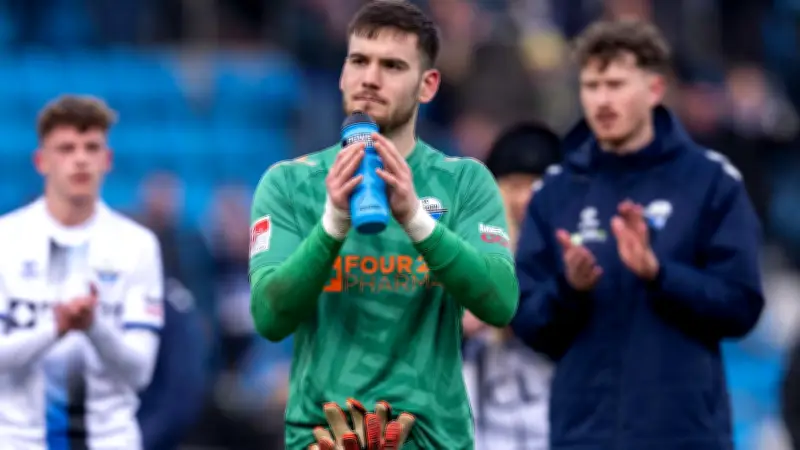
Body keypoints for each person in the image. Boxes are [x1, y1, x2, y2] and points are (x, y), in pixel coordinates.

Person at [248, 1, 518, 449]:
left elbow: (501, 304)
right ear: (342, 75)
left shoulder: (464, 182)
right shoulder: (290, 184)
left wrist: (416, 219)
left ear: (428, 85)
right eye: (359, 61)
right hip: (325, 439)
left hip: (432, 440)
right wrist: (332, 224)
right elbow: (269, 318)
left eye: (392, 66)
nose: (370, 78)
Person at [510, 20, 764, 450]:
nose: (602, 100)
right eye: (591, 86)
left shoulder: (710, 183)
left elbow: (741, 307)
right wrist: (570, 289)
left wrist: (660, 274)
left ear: (654, 89)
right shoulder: (556, 191)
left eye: (616, 84)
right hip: (584, 438)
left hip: (683, 438)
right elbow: (527, 322)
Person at [0, 95, 164, 449]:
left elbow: (140, 372)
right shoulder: (5, 240)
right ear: (41, 161)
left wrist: (93, 327)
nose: (80, 159)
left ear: (107, 160)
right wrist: (55, 328)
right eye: (66, 148)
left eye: (91, 148)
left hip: (110, 441)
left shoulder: (137, 245)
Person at [462, 122, 561, 450]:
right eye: (514, 186)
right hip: (484, 425)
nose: (525, 198)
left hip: (552, 423)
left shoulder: (575, 252)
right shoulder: (465, 248)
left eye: (537, 185)